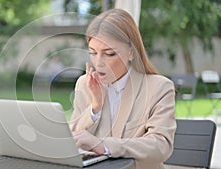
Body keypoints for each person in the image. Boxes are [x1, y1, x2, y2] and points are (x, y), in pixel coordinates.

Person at [69, 9, 176, 169]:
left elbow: (161, 146)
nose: (98, 63)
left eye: (109, 54)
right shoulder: (85, 84)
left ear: (131, 52)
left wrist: (103, 145)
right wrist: (94, 109)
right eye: (93, 53)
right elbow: (73, 139)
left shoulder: (159, 87)